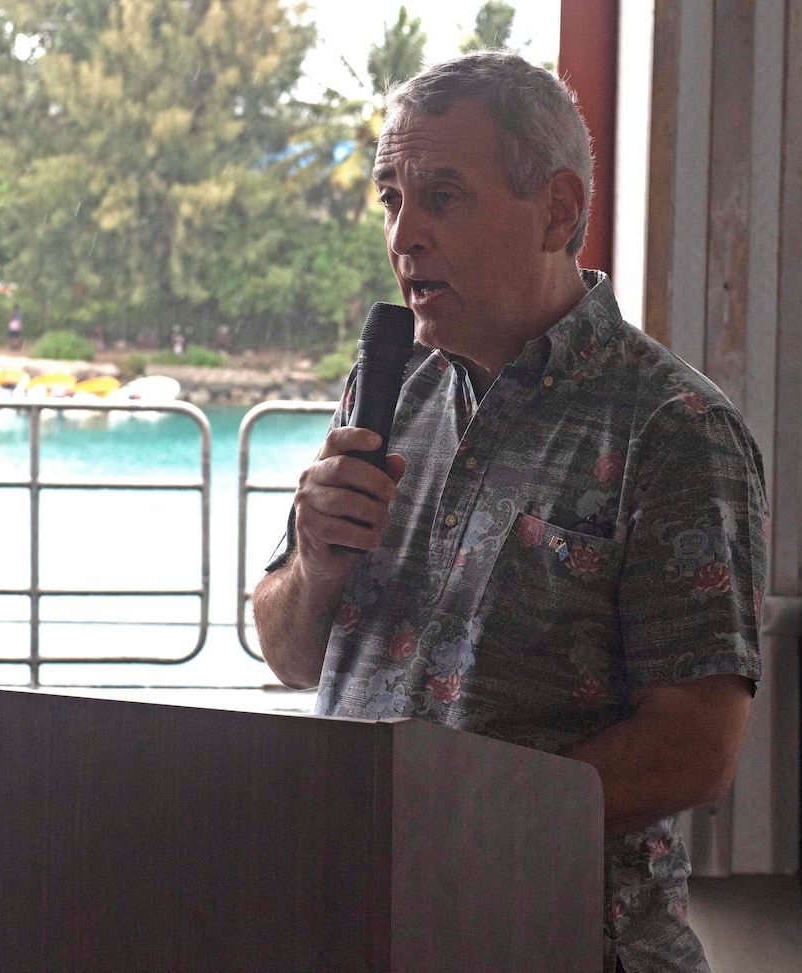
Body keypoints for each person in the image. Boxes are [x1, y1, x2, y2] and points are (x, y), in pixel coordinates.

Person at [253, 51, 766, 973]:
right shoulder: (383, 390)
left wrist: (453, 818)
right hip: (366, 916)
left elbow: (694, 747)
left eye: (442, 196)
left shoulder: (674, 428)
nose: (404, 235)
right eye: (390, 199)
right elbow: (290, 657)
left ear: (559, 211)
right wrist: (317, 565)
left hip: (559, 934)